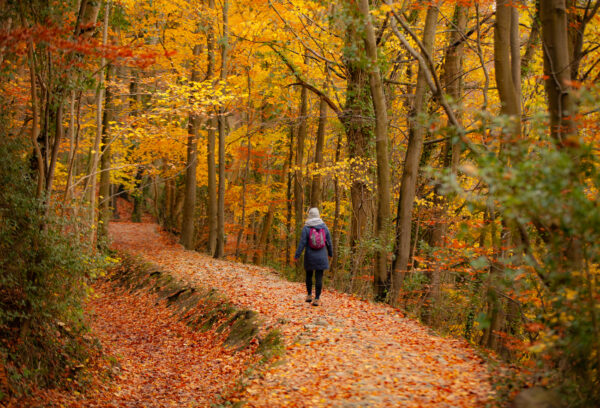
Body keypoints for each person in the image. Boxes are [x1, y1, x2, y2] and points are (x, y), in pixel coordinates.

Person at [294, 208, 333, 306]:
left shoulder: (306, 228)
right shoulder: (324, 227)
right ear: (318, 215)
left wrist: (297, 255)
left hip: (310, 256)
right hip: (322, 256)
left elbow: (302, 243)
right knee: (319, 277)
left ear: (309, 215)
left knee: (309, 276)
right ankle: (317, 299)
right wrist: (330, 254)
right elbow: (329, 243)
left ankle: (309, 295)